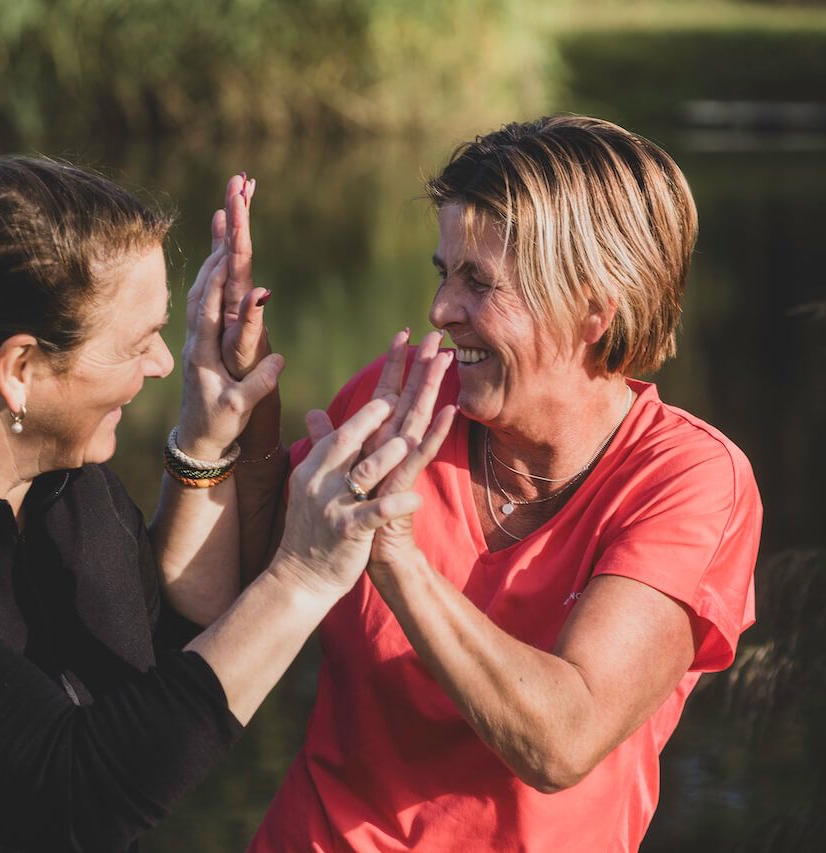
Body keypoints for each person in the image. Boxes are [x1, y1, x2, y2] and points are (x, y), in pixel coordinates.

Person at [0, 155, 453, 852]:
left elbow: (172, 659)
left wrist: (203, 443)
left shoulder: (61, 483)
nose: (164, 363)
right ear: (20, 369)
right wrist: (301, 577)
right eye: (140, 343)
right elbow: (74, 792)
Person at [244, 116, 763, 851]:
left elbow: (562, 740)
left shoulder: (687, 479)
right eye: (443, 272)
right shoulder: (403, 401)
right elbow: (227, 580)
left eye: (479, 281)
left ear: (593, 308)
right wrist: (234, 414)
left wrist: (393, 556)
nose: (440, 310)